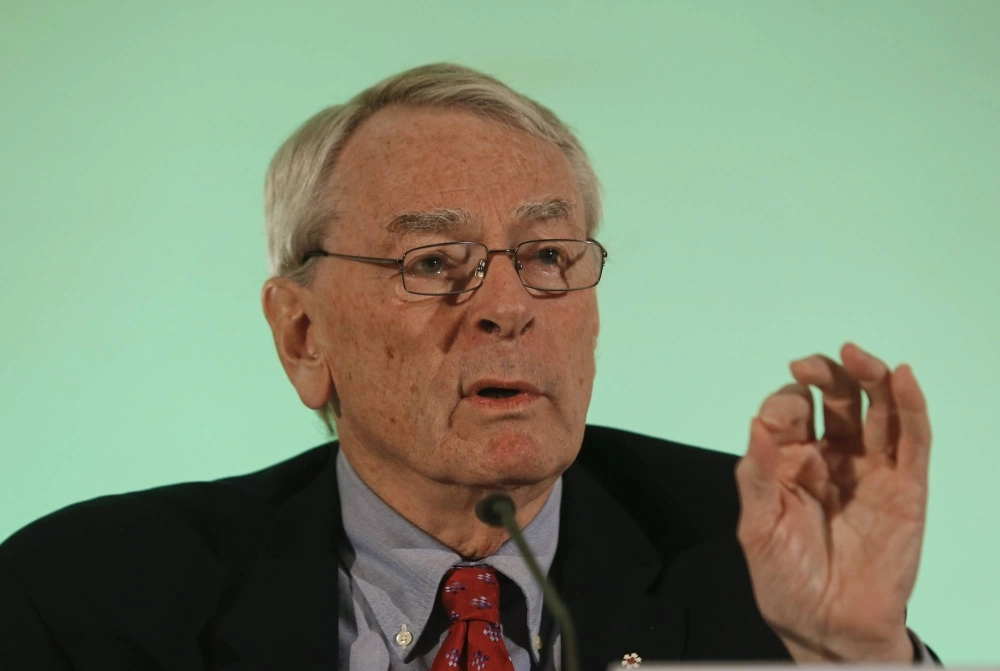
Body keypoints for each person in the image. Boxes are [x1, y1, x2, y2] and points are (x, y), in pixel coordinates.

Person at [0, 63, 937, 670]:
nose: (507, 304)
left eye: (548, 255)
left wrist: (862, 655)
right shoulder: (82, 604)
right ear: (304, 336)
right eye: (434, 262)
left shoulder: (750, 552)